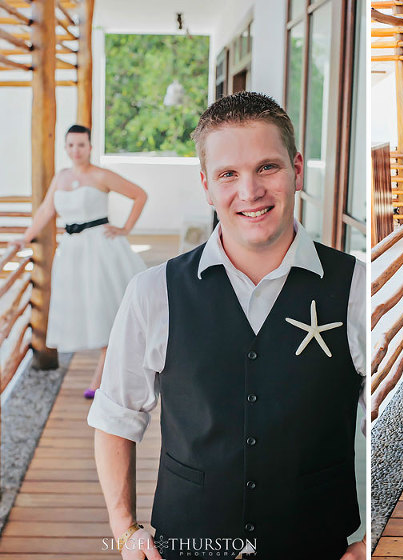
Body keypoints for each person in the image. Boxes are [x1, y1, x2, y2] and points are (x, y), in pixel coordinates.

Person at [88, 92, 366, 560]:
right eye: (228, 174)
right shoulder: (153, 291)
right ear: (206, 186)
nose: (250, 191)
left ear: (297, 168)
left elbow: (387, 420)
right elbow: (116, 416)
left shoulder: (357, 287)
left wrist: (370, 543)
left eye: (267, 167)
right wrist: (124, 530)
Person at [11, 124, 147, 398]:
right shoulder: (61, 177)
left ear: (90, 147)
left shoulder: (101, 175)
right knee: (89, 309)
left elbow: (139, 195)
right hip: (73, 251)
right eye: (71, 145)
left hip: (101, 248)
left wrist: (125, 229)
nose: (76, 150)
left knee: (107, 306)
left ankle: (100, 379)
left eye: (81, 145)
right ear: (65, 147)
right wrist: (25, 239)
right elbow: (47, 211)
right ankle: (108, 373)